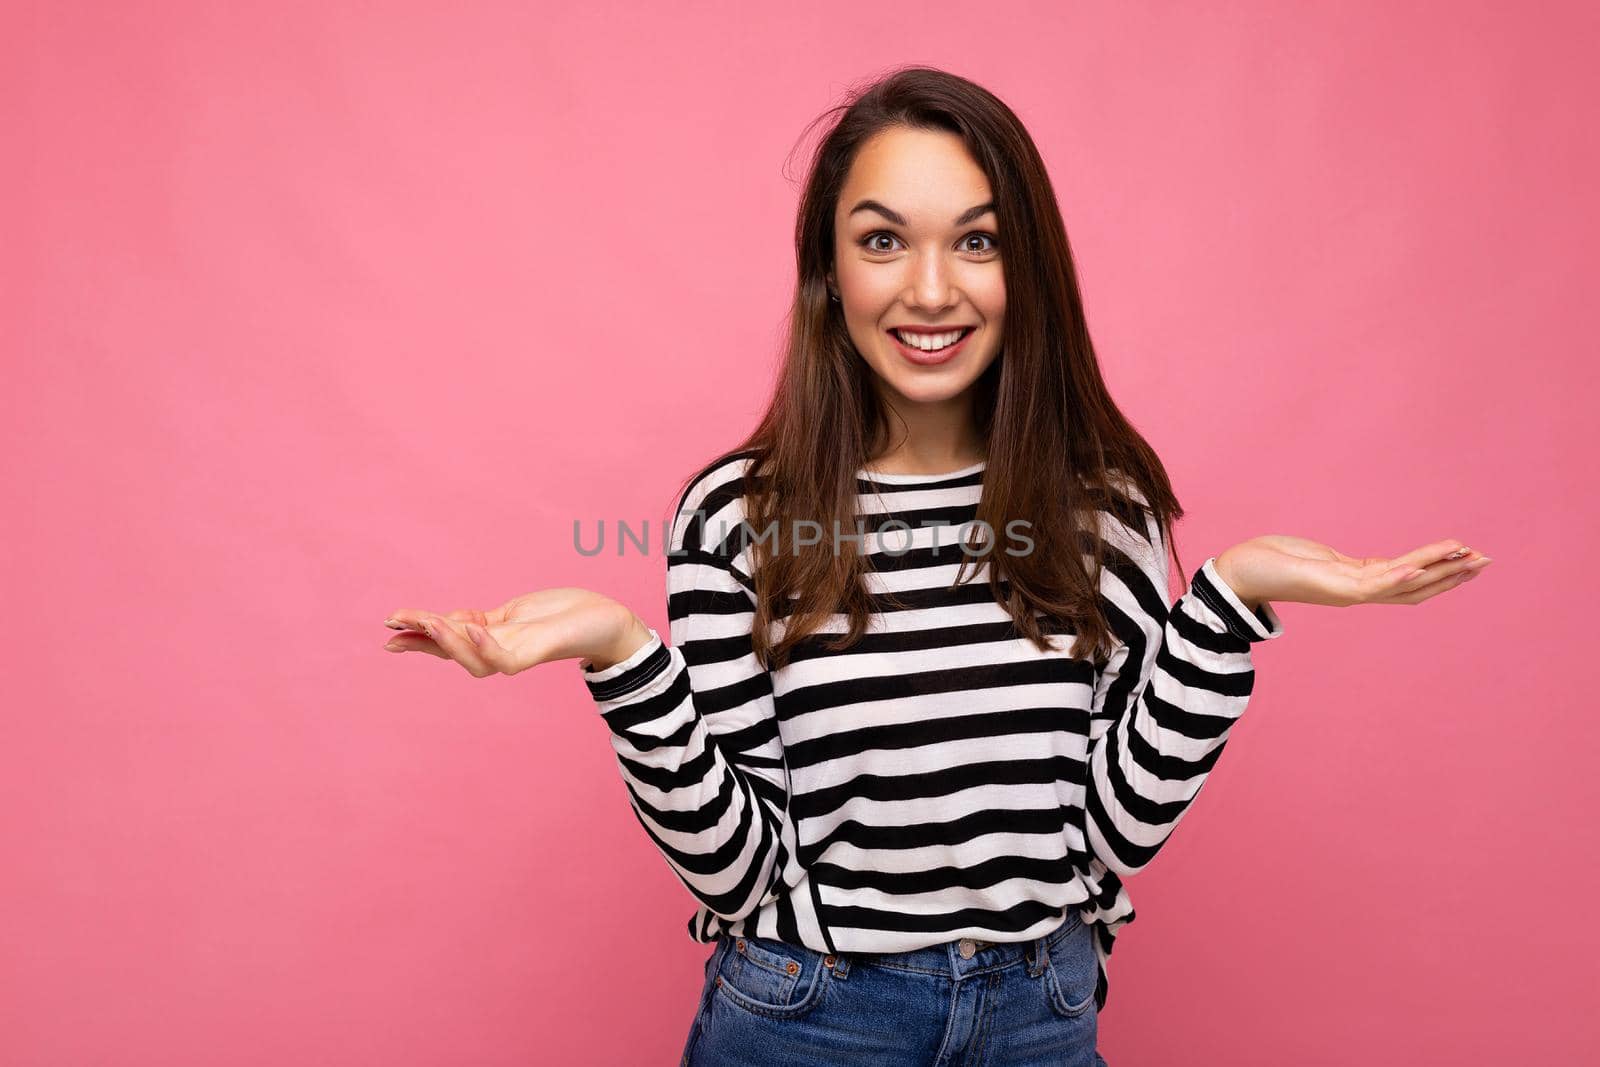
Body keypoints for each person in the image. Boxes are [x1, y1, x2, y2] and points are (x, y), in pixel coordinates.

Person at [381, 66, 1491, 1067]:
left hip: (1039, 1012)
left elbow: (1110, 829)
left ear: (1027, 263)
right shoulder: (738, 514)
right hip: (806, 1017)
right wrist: (619, 652)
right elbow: (737, 870)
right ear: (828, 268)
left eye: (975, 239)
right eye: (880, 240)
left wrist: (1230, 598)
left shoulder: (1105, 505)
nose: (927, 291)